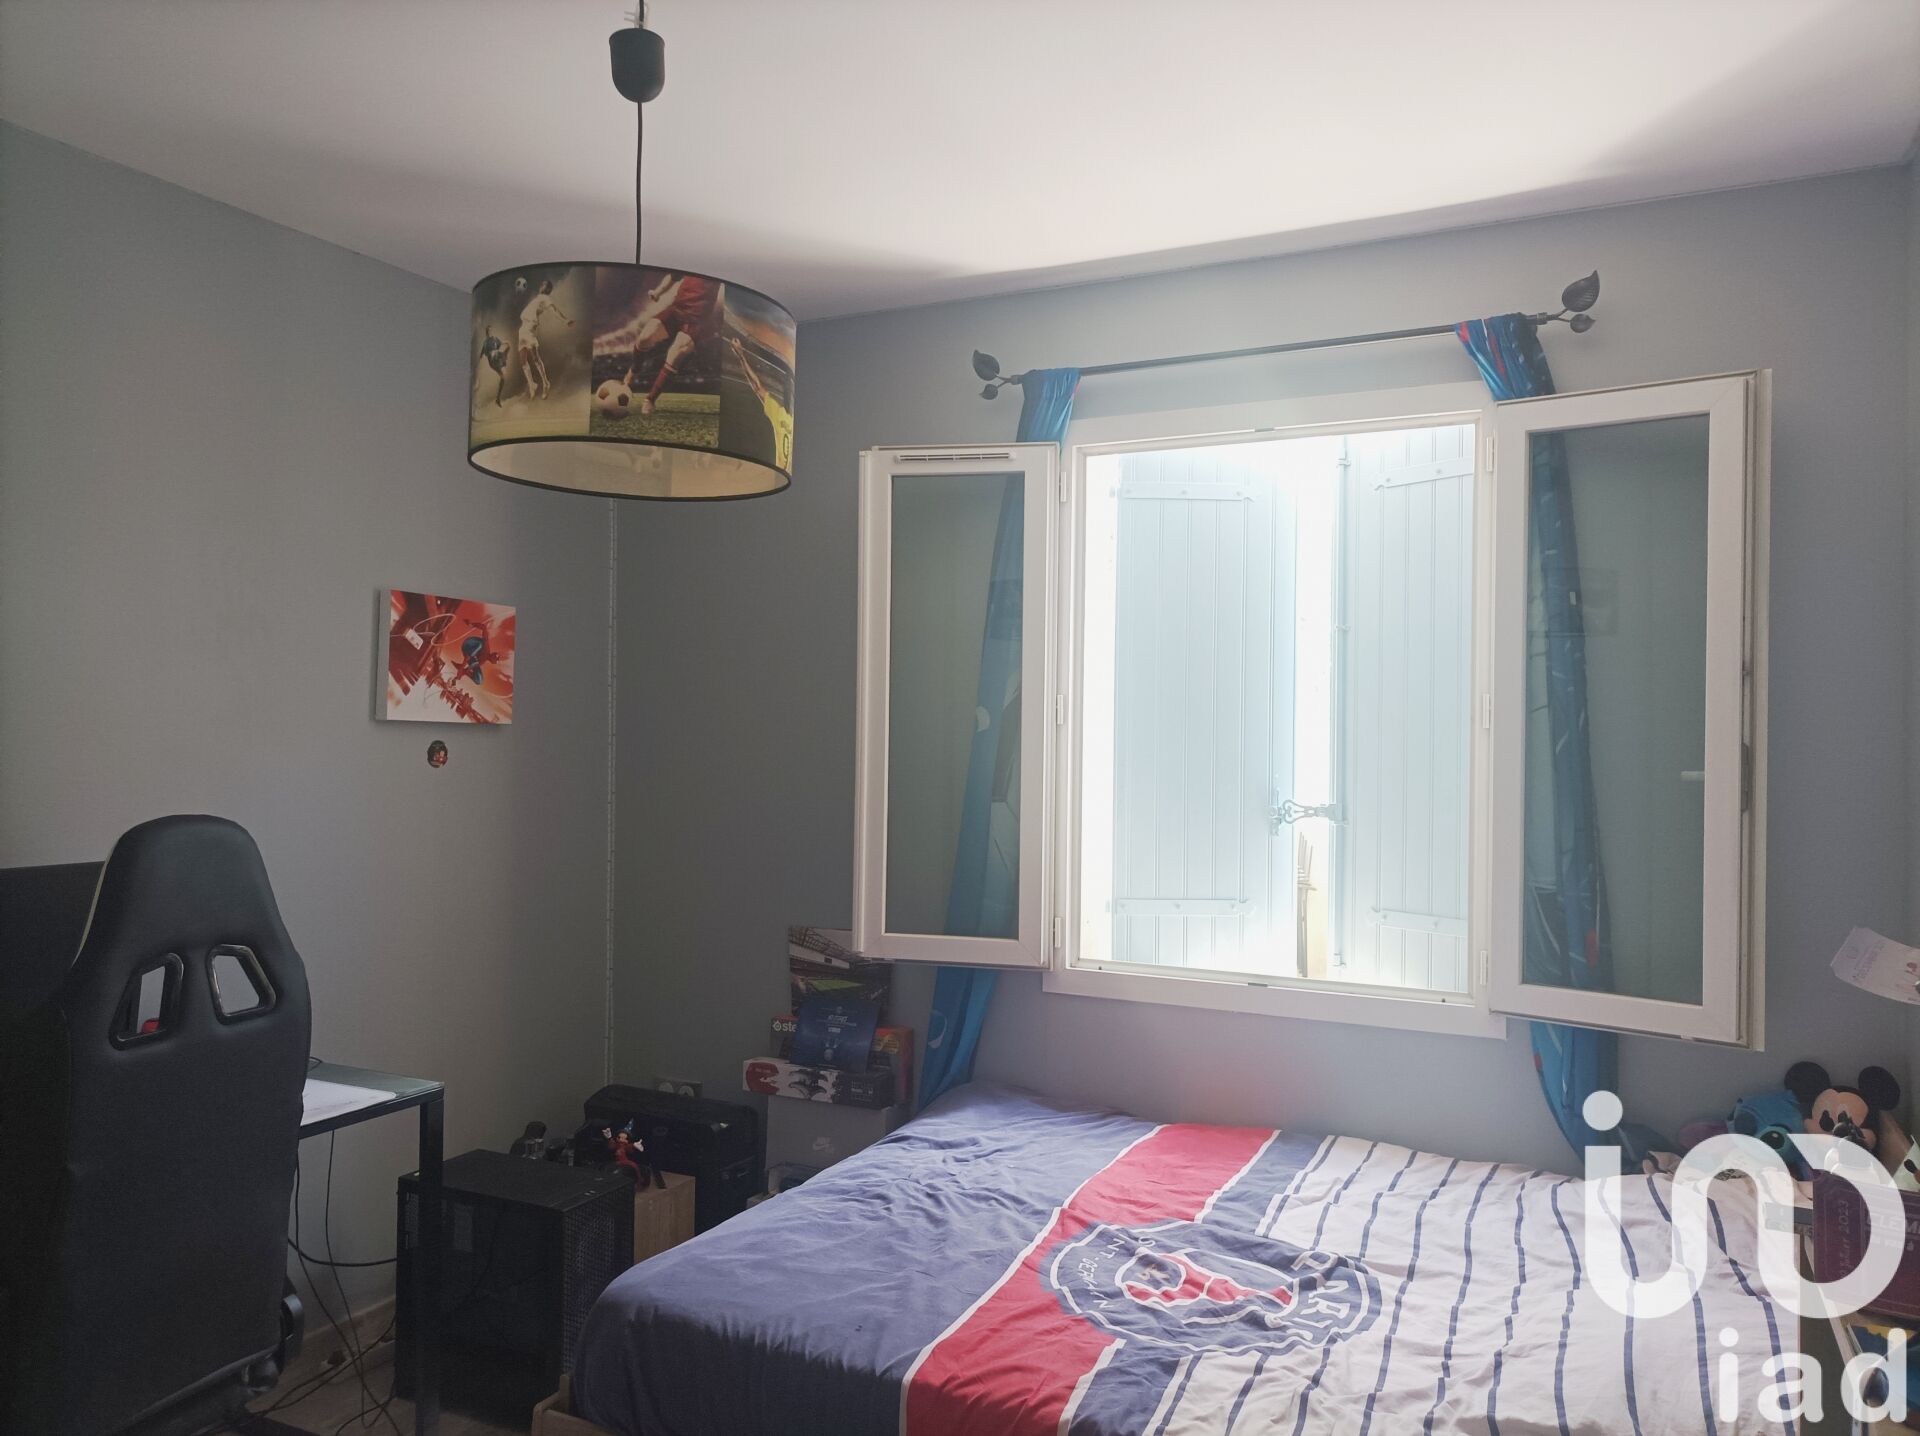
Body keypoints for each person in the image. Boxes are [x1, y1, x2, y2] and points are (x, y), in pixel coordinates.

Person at [622, 272, 724, 416]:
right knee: (644, 338)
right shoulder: (689, 262)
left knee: (676, 353)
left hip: (697, 320)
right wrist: (658, 292)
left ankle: (650, 399)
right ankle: (634, 370)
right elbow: (673, 276)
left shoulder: (718, 268)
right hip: (677, 309)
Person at [728, 336, 793, 472]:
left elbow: (757, 386)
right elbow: (757, 386)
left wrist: (741, 355)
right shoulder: (782, 415)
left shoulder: (781, 414)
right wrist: (741, 356)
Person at [517, 278, 574, 400]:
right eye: (541, 284)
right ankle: (532, 385)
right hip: (522, 330)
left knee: (535, 358)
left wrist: (565, 320)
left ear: (548, 288)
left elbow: (554, 310)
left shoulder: (545, 298)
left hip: (530, 330)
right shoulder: (537, 299)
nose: (541, 285)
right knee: (522, 361)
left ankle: (546, 383)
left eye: (544, 284)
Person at [478, 324, 510, 406]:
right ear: (486, 333)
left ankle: (498, 398)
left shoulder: (495, 339)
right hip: (493, 361)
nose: (490, 332)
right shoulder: (485, 342)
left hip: (498, 358)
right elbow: (482, 354)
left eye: (490, 331)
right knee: (503, 373)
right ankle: (497, 399)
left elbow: (501, 343)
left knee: (503, 377)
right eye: (488, 331)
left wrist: (506, 342)